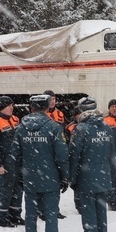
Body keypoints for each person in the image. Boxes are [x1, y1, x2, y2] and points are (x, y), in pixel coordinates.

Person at [9, 94, 70, 232]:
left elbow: (15, 155)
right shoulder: (54, 127)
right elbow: (62, 155)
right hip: (50, 178)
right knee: (51, 216)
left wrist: (20, 175)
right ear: (47, 107)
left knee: (30, 216)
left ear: (31, 108)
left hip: (30, 180)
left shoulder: (21, 128)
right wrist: (65, 176)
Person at [69, 97, 115, 232]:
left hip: (86, 177)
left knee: (88, 212)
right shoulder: (106, 127)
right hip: (103, 176)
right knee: (101, 211)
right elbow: (112, 154)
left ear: (82, 111)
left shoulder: (81, 129)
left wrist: (72, 179)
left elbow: (74, 156)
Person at [0, 95, 24, 228]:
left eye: (12, 105)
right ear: (2, 107)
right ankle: (2, 217)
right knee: (5, 190)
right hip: (5, 163)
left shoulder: (15, 120)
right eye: (9, 105)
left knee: (18, 189)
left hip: (17, 162)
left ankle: (15, 215)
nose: (11, 108)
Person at [43, 89, 67, 219]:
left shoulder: (59, 114)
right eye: (49, 99)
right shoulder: (40, 113)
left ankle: (54, 209)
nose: (52, 102)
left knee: (55, 184)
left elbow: (62, 133)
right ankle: (42, 211)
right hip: (43, 152)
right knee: (42, 183)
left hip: (55, 153)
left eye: (54, 99)